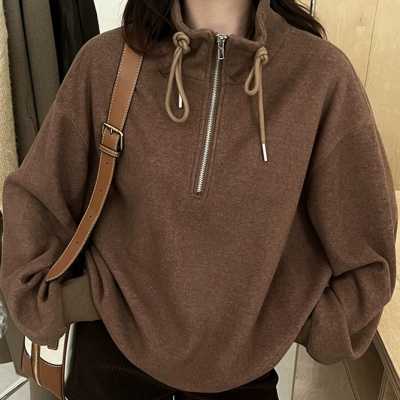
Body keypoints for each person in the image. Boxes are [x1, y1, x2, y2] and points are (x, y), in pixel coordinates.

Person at [0, 0, 397, 399]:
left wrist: (302, 322)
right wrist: (68, 302)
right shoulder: (106, 63)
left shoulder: (320, 77)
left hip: (244, 374)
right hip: (109, 362)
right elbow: (37, 200)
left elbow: (367, 245)